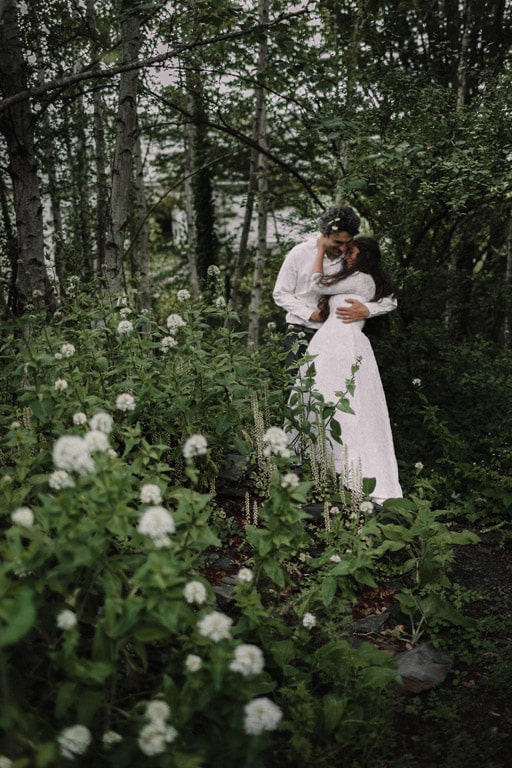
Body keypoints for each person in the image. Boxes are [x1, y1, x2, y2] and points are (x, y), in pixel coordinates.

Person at [289, 235, 402, 503]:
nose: (346, 256)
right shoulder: (352, 280)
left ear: (364, 255)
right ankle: (319, 468)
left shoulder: (362, 278)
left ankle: (348, 471)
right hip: (329, 344)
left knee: (343, 404)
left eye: (351, 252)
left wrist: (318, 251)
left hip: (344, 345)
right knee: (319, 399)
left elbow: (315, 282)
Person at [272, 205, 397, 375]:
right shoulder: (300, 254)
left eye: (348, 243)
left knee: (335, 395)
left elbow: (389, 298)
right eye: (338, 242)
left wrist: (367, 309)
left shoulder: (354, 258)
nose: (343, 249)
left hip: (339, 340)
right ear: (324, 234)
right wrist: (310, 314)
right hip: (302, 334)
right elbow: (280, 293)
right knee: (297, 392)